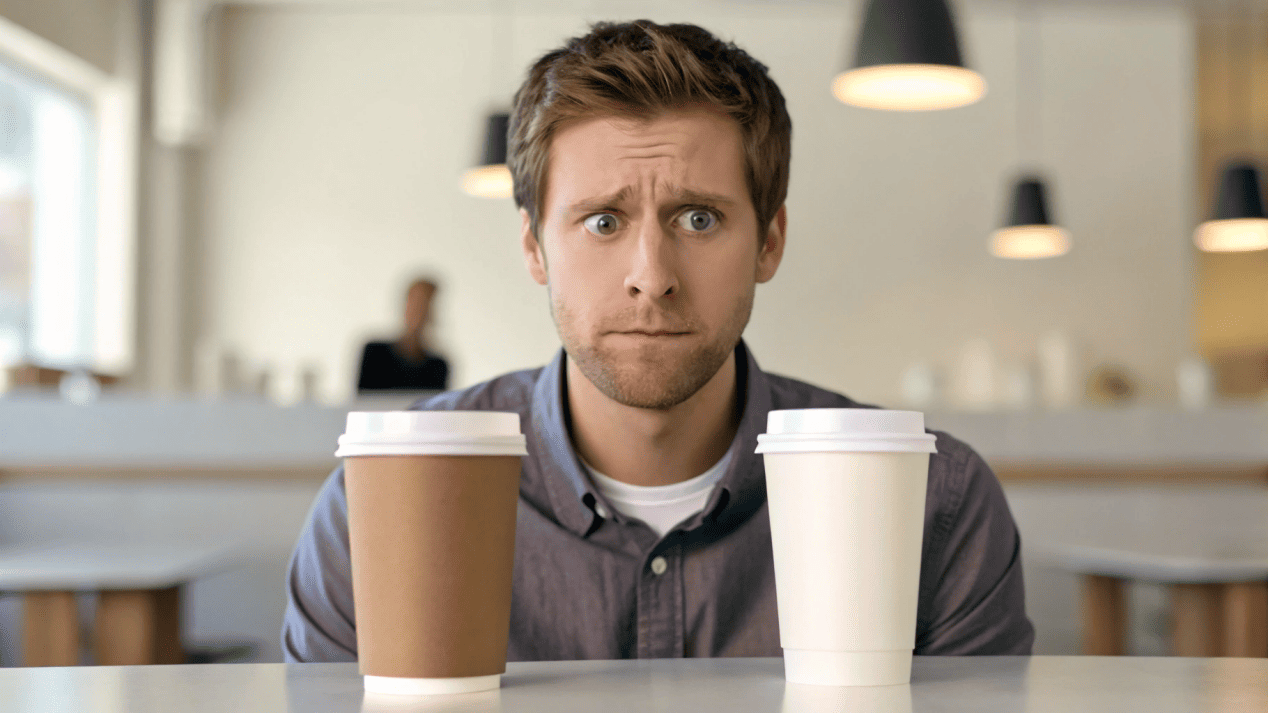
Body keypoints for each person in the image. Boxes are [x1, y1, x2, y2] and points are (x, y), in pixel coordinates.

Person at [283, 19, 1034, 661]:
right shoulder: (385, 498)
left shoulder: (936, 502)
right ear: (535, 247)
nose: (652, 276)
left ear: (769, 241)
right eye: (603, 221)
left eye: (698, 218)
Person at [355, 278, 449, 392]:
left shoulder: (438, 366)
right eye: (415, 302)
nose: (419, 310)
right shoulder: (374, 353)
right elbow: (362, 402)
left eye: (425, 304)